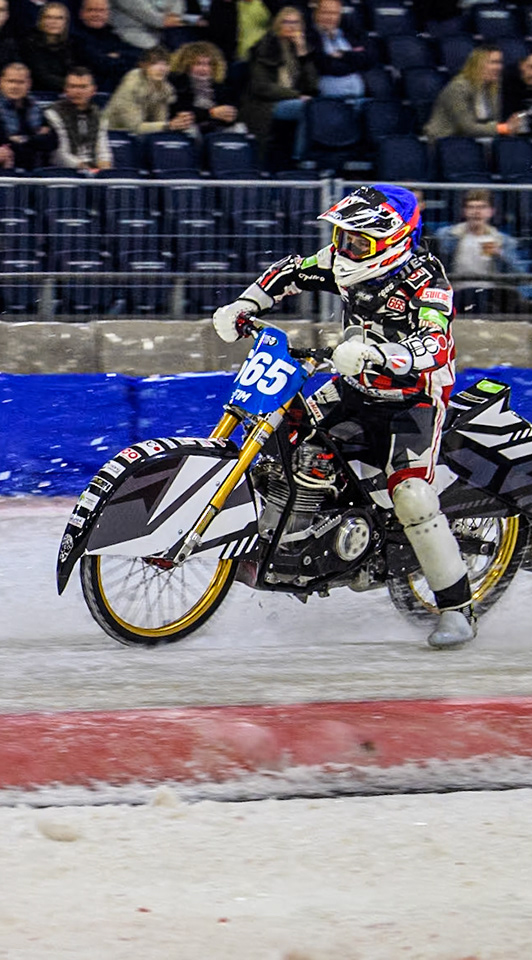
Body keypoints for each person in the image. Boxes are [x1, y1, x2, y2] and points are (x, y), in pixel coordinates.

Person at [211, 184, 479, 649]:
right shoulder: (339, 261)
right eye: (343, 236)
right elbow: (290, 271)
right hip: (352, 384)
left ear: (392, 241)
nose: (346, 247)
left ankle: (457, 609)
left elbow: (434, 345)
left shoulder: (427, 281)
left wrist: (382, 355)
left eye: (358, 240)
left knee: (412, 495)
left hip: (412, 398)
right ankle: (294, 539)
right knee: (283, 441)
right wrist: (245, 305)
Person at [433, 189, 530, 315]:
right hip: (458, 291)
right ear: (464, 211)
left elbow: (519, 276)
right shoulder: (447, 236)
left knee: (514, 300)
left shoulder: (504, 240)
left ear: (491, 212)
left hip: (491, 292)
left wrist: (500, 255)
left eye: (482, 207)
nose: (476, 212)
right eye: (471, 207)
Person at [242, 5, 317, 160]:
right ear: (278, 25)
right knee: (307, 107)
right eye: (286, 22)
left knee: (320, 106)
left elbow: (312, 86)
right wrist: (296, 95)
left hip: (292, 99)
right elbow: (262, 87)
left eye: (295, 23)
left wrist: (302, 53)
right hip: (266, 104)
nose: (291, 27)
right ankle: (301, 158)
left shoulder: (299, 49)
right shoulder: (265, 47)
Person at [425, 45, 525, 140]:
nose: (499, 67)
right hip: (446, 141)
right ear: (477, 64)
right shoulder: (458, 88)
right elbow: (468, 128)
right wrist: (504, 128)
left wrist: (512, 124)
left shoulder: (492, 88)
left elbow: (493, 121)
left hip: (478, 141)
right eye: (493, 62)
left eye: (500, 63)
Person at [105, 47, 191, 136]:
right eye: (154, 64)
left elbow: (160, 122)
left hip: (141, 137)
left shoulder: (164, 88)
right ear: (143, 66)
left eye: (165, 64)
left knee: (190, 132)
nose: (161, 68)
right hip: (112, 134)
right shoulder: (131, 86)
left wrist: (180, 123)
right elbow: (135, 128)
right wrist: (169, 125)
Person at [44, 66, 111, 173]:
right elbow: (59, 154)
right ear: (65, 89)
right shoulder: (53, 113)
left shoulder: (99, 114)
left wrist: (105, 169)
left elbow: (103, 149)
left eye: (83, 87)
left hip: (94, 170)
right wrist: (85, 168)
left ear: (93, 90)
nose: (77, 91)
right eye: (73, 86)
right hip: (66, 172)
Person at [169, 41, 242, 136]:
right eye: (198, 64)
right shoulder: (177, 84)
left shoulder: (221, 87)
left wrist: (229, 117)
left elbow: (232, 111)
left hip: (216, 129)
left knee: (239, 129)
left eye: (209, 64)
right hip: (187, 129)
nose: (204, 69)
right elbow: (179, 112)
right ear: (186, 65)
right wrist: (210, 113)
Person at [308, 0, 372, 101]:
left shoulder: (350, 32)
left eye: (334, 13)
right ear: (316, 13)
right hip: (328, 100)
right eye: (325, 12)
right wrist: (354, 61)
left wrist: (343, 55)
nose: (330, 17)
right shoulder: (310, 36)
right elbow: (325, 65)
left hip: (360, 96)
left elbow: (369, 59)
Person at [0, 61, 54, 168]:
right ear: (0, 83)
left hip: (36, 167)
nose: (15, 86)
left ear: (29, 84)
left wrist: (23, 140)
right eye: (11, 81)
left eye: (20, 82)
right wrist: (35, 138)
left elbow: (51, 141)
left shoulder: (36, 107)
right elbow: (0, 141)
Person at [75, 0, 139, 90]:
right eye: (91, 10)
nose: (97, 14)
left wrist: (119, 55)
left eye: (101, 11)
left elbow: (138, 55)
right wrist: (121, 58)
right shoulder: (75, 36)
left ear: (108, 14)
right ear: (81, 13)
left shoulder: (112, 35)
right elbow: (101, 64)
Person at [22, 1, 77, 94]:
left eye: (59, 18)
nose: (53, 22)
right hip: (38, 93)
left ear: (66, 22)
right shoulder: (29, 44)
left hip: (69, 93)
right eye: (48, 17)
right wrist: (73, 85)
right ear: (40, 21)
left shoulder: (73, 44)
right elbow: (42, 76)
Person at [111, 0, 183, 52]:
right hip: (131, 33)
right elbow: (145, 13)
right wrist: (164, 20)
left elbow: (176, 5)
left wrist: (175, 14)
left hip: (164, 31)